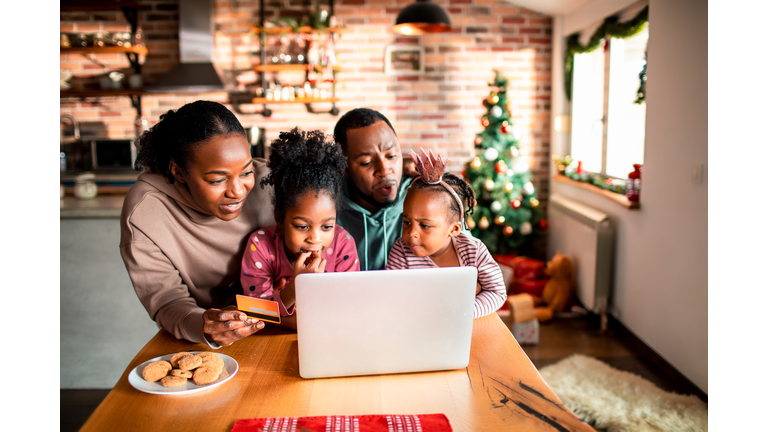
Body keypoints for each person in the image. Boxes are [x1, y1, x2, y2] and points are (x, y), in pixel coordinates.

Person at [120, 100, 275, 348]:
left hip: (282, 322)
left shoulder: (270, 183)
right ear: (179, 172)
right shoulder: (145, 213)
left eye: (246, 173)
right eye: (217, 180)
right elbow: (167, 301)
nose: (237, 191)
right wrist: (203, 325)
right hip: (207, 341)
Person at [240, 128, 360, 316]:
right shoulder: (261, 246)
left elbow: (348, 306)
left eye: (327, 226)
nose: (315, 239)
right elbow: (256, 311)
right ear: (280, 218)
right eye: (302, 227)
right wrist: (296, 287)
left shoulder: (343, 244)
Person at [386, 149, 507, 318]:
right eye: (406, 222)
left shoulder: (474, 251)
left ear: (454, 229)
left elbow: (497, 292)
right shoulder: (401, 252)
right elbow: (392, 297)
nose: (412, 233)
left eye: (425, 226)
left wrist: (464, 312)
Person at [333, 108, 415, 271]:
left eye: (391, 156)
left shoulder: (428, 199)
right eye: (366, 162)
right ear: (345, 168)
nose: (384, 170)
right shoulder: (327, 208)